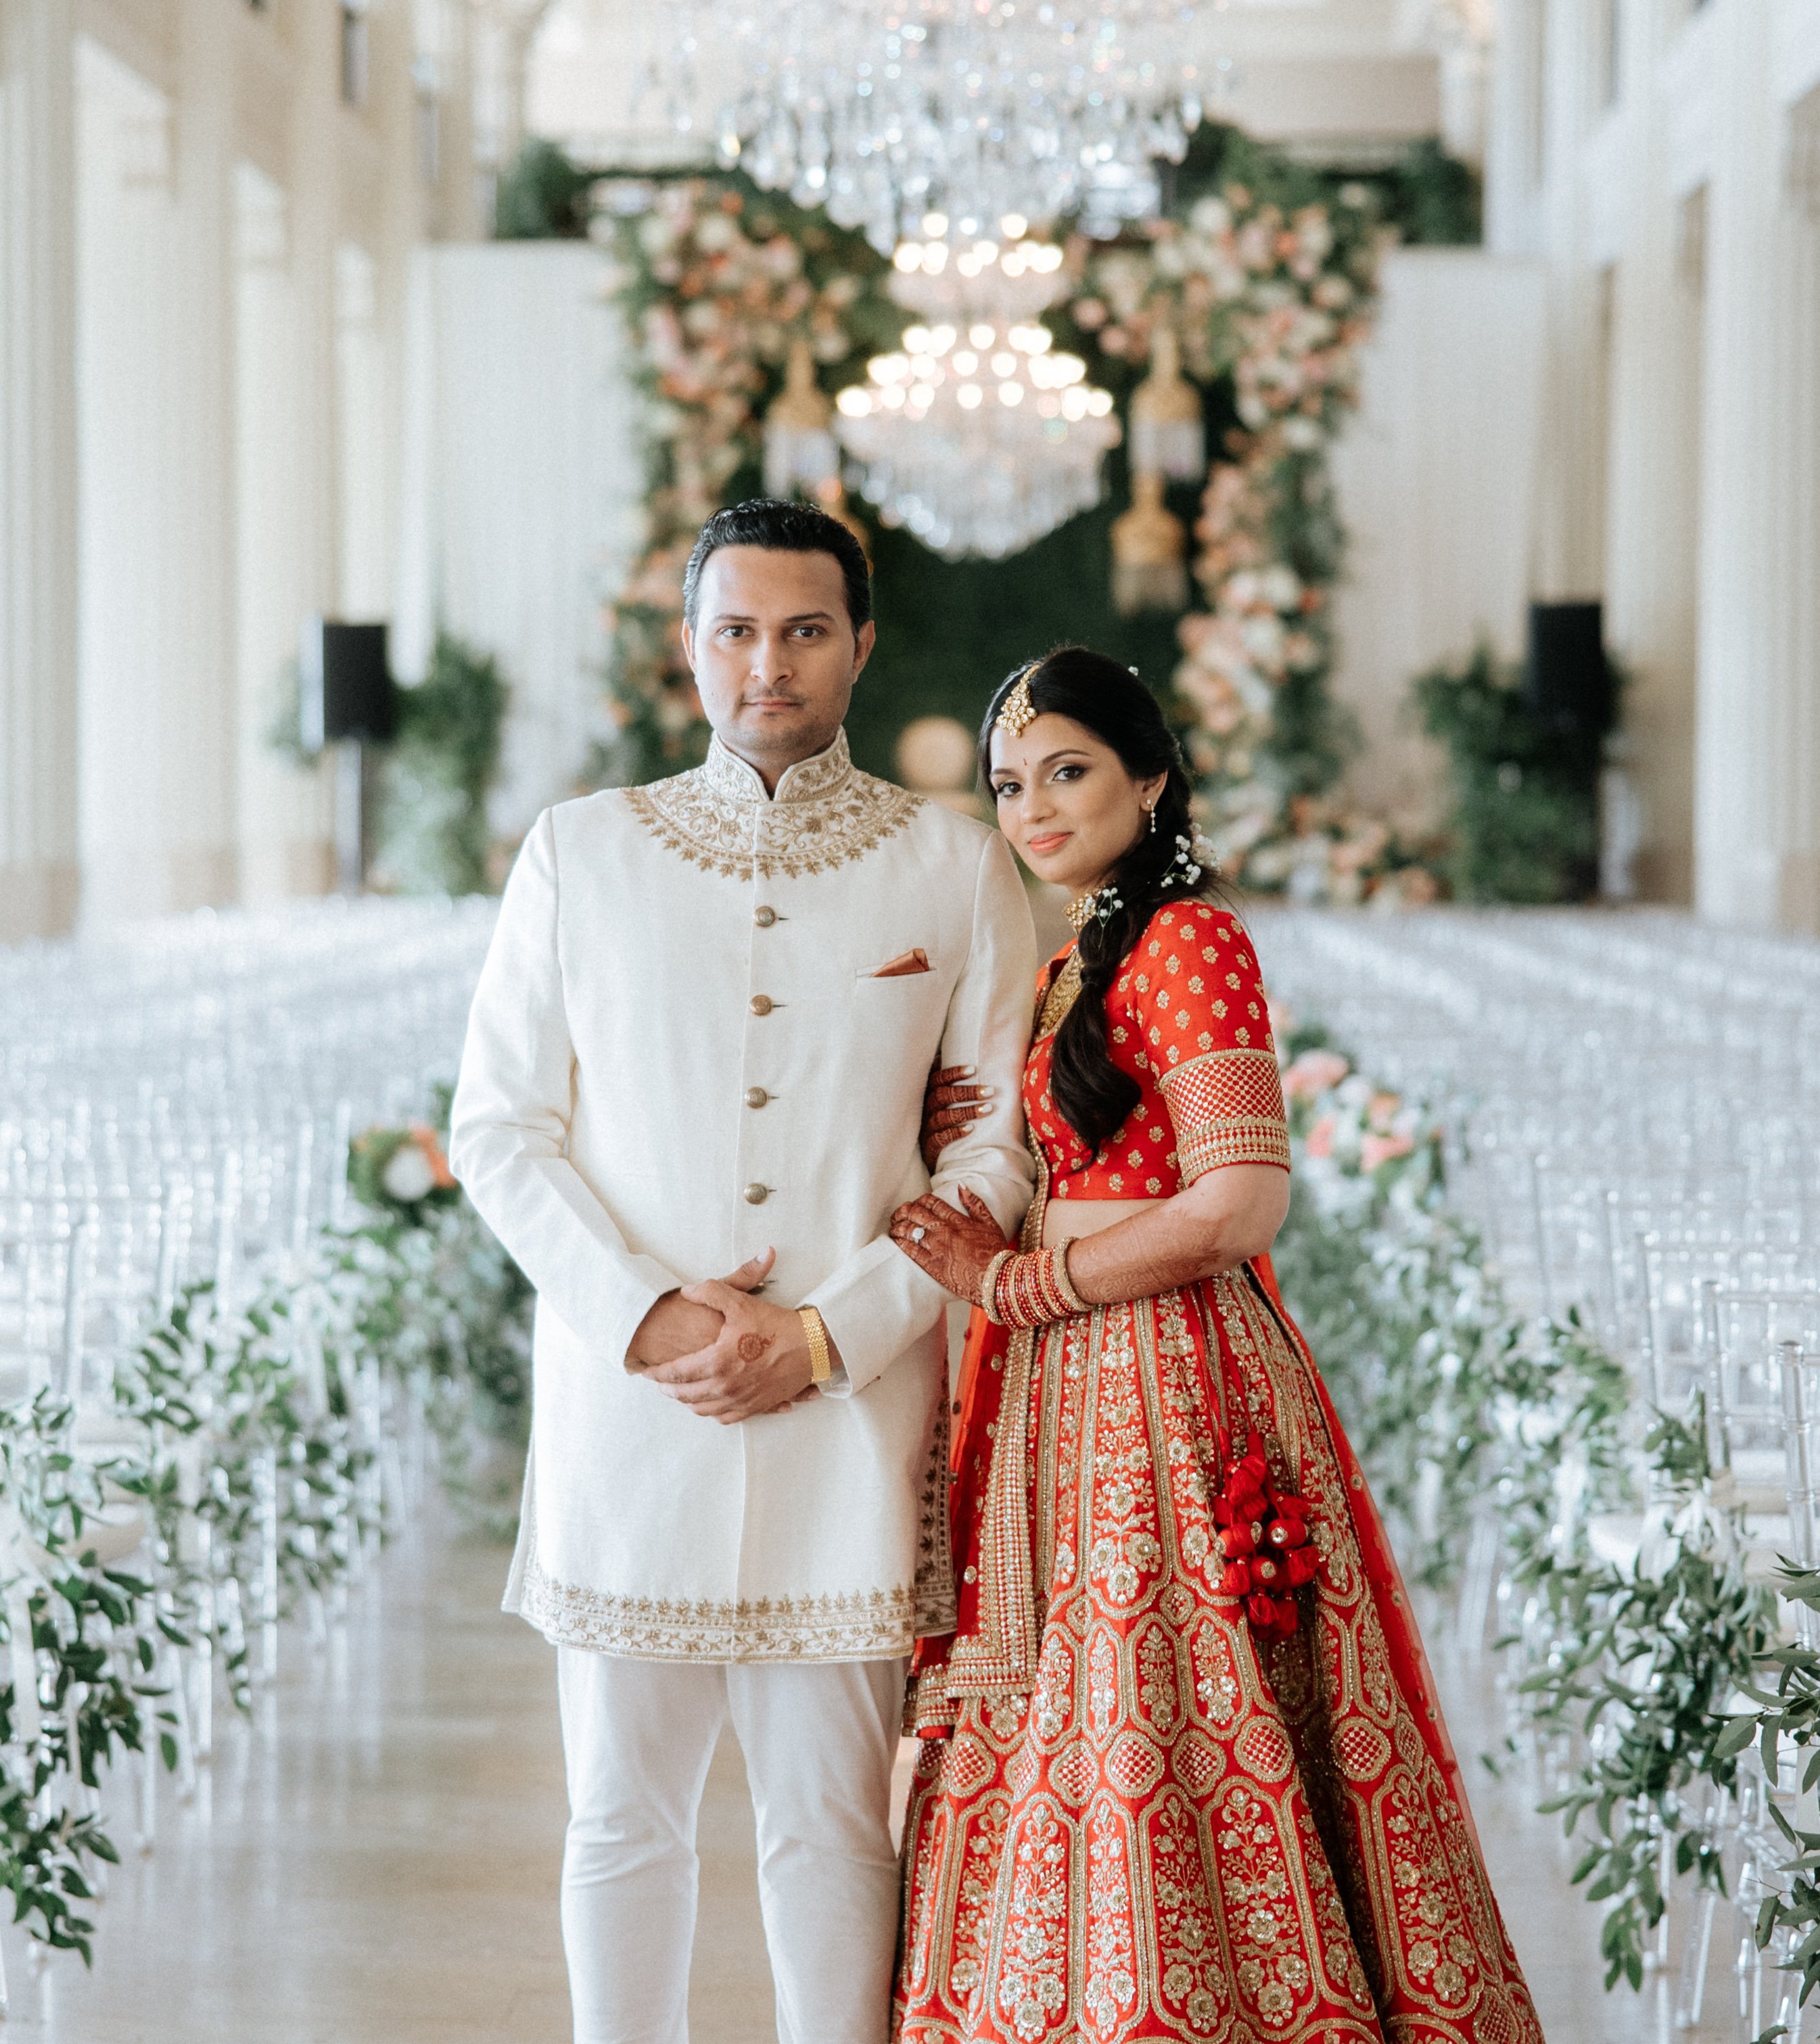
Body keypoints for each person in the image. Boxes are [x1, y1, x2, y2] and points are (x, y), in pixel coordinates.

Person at [448, 498, 1039, 2044]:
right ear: (688, 644)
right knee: (618, 1823)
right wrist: (645, 1315)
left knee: (832, 1828)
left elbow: (992, 1163)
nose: (765, 663)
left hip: (847, 1417)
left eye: (802, 629)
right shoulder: (581, 852)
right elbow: (499, 1133)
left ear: (859, 643)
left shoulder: (952, 865)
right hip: (627, 1411)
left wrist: (828, 1337)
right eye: (735, 628)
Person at [889, 648, 1541, 2044]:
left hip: (1157, 1379)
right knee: (1081, 1692)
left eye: (1066, 772)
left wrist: (1019, 1287)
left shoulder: (1189, 937)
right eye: (1010, 786)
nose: (1033, 810)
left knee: (1149, 1700)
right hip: (1075, 1380)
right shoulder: (1081, 949)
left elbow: (1238, 1201)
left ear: (1150, 775)